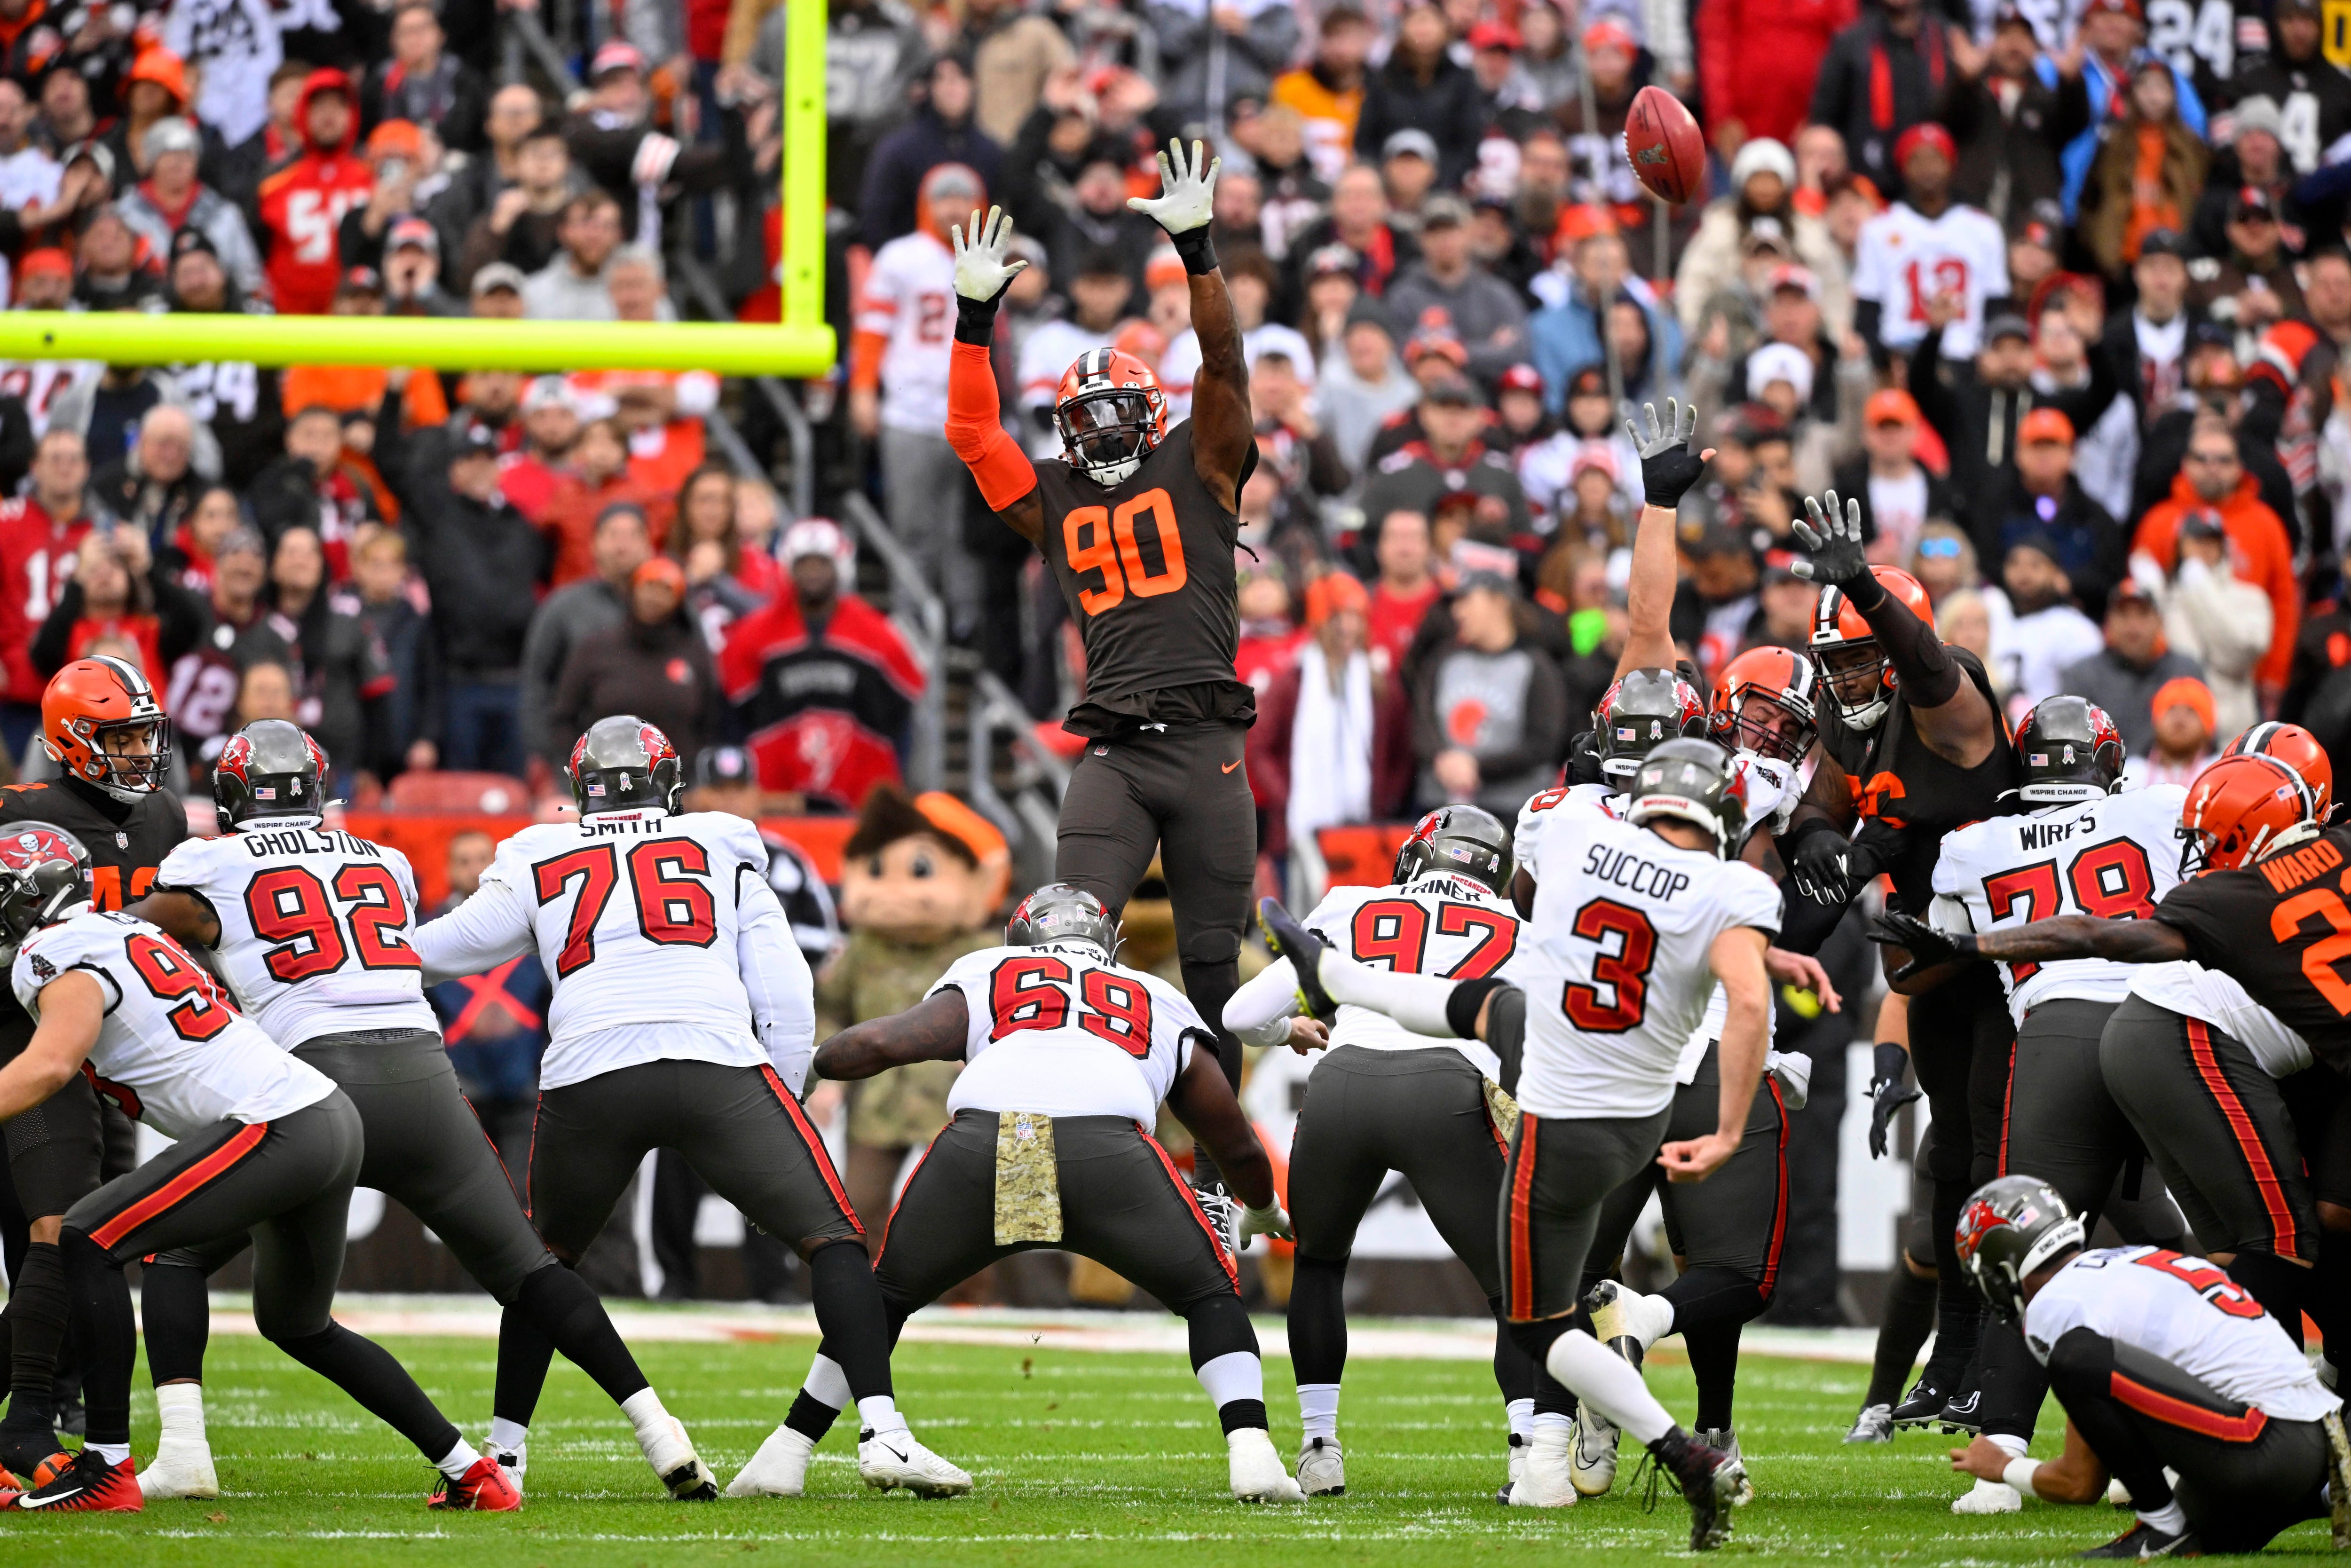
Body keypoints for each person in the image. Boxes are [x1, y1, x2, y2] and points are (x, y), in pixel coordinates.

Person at [122, 720, 714, 1502]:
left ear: (232, 801)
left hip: (310, 1087)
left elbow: (148, 935)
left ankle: (187, 1452)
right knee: (529, 1274)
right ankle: (657, 1429)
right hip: (423, 1077)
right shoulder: (383, 860)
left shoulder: (209, 860)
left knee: (181, 1249)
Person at [410, 717, 970, 1499]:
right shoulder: (723, 843)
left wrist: (356, 947)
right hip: (715, 1065)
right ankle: (884, 1431)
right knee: (834, 1239)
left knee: (544, 1266)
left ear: (581, 791)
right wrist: (785, 1088)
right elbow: (782, 985)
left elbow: (441, 950)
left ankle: (505, 1454)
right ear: (668, 785)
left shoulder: (539, 851)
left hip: (590, 1073)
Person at [1258, 736, 1772, 1552]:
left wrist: (1336, 982)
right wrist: (1738, 1121)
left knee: (1544, 1315)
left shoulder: (1574, 834)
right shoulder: (1732, 887)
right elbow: (1748, 1002)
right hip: (1638, 1102)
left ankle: (1342, 981)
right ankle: (1675, 1450)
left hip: (1564, 1098)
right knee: (1541, 1315)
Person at [0, 825, 524, 1513]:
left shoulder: (55, 950)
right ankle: (471, 1471)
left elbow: (51, 1063)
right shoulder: (125, 932)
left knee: (85, 1235)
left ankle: (106, 1467)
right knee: (300, 1322)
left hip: (277, 1122)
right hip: (325, 1115)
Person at [943, 149, 1264, 1225]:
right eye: (1092, 419)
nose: (1110, 432)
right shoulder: (1053, 499)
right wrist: (972, 323)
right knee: (1056, 949)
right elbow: (971, 434)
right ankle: (1028, 1182)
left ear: (1151, 411)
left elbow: (1226, 368)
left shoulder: (1204, 456)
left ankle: (1220, 1184)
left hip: (1208, 748)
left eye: (1126, 411)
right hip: (1120, 753)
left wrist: (1197, 254)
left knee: (1215, 977)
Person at [1874, 751, 2351, 1360]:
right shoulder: (2312, 850)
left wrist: (1969, 941)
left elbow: (2092, 934)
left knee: (2273, 1236)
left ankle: (2204, 1365)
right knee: (2300, 1228)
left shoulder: (2233, 896)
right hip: (2253, 1051)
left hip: (2117, 1032)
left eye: (2213, 833)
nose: (2200, 848)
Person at [1913, 697, 2193, 1516]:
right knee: (2191, 1244)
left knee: (2027, 1247)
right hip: (2160, 1028)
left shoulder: (1972, 847)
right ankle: (2208, 1427)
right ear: (2105, 760)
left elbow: (1924, 957)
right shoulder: (2161, 808)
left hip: (2057, 1038)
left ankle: (2000, 1449)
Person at [1781, 488, 2018, 1434]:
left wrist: (1869, 596)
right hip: (1932, 972)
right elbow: (1821, 813)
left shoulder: (1946, 695)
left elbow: (1925, 667)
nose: (1843, 678)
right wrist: (1812, 854)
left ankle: (1995, 1374)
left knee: (2006, 1170)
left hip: (2011, 964)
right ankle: (1951, 1368)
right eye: (1829, 660)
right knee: (1954, 1169)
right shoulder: (1849, 719)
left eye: (1857, 655)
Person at [1223, 808, 1534, 1498]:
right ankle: (1527, 1454)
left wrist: (1290, 1029)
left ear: (1418, 856)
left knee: (1319, 1263)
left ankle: (1318, 1445)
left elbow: (1241, 1015)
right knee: (1516, 1285)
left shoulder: (1353, 902)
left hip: (1343, 1083)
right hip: (1447, 1088)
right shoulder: (1520, 926)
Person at [1946, 1176, 2351, 1557]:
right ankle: (2318, 1492)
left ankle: (2162, 1524)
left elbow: (2079, 1482)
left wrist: (2005, 1467)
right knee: (2203, 1532)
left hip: (2266, 1446)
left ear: (2000, 1268)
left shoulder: (2057, 1302)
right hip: (2319, 1438)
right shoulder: (2127, 1263)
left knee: (2076, 1356)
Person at [0, 656, 187, 1480]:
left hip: (113, 1054)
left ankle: (58, 1392)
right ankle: (34, 1407)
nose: (144, 751)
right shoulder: (18, 813)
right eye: (126, 736)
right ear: (74, 742)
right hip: (29, 1041)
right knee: (44, 1228)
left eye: (147, 732)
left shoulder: (163, 819)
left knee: (79, 1235)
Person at [717, 517, 924, 811]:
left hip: (859, 788)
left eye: (822, 563)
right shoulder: (754, 636)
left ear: (840, 566)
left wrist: (895, 779)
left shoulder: (876, 635)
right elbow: (734, 713)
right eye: (804, 563)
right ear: (789, 567)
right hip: (775, 793)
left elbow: (901, 714)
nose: (813, 572)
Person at [1850, 124, 2010, 365]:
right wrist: (1880, 361)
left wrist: (1989, 354)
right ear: (1903, 167)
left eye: (1936, 159)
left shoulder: (1983, 228)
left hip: (1965, 355)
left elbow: (1996, 304)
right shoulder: (1879, 228)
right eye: (1917, 160)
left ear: (1951, 165)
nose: (1928, 169)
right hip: (1903, 354)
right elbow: (1869, 307)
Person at [551, 556, 722, 771]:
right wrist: (582, 769)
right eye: (649, 587)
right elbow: (564, 718)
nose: (655, 597)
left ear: (679, 601)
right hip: (606, 783)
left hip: (677, 787)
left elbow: (710, 723)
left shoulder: (694, 654)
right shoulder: (596, 649)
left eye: (666, 590)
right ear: (634, 591)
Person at [2057, 578, 2208, 759]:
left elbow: (2206, 742)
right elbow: (2067, 745)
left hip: (2174, 779)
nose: (2133, 627)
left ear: (2159, 622)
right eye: (2124, 615)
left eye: (2143, 615)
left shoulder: (2185, 671)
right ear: (2108, 622)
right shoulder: (2081, 675)